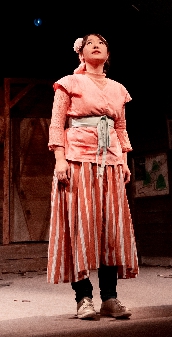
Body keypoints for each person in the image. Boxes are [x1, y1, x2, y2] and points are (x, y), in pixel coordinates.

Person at [47, 33, 138, 320]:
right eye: (90, 43)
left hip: (110, 161)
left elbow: (120, 128)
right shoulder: (69, 83)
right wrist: (60, 159)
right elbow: (57, 123)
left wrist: (123, 161)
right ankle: (83, 298)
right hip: (77, 159)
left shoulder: (118, 89)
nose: (96, 46)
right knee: (80, 227)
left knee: (110, 230)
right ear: (81, 53)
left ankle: (109, 298)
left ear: (107, 54)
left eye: (101, 43)